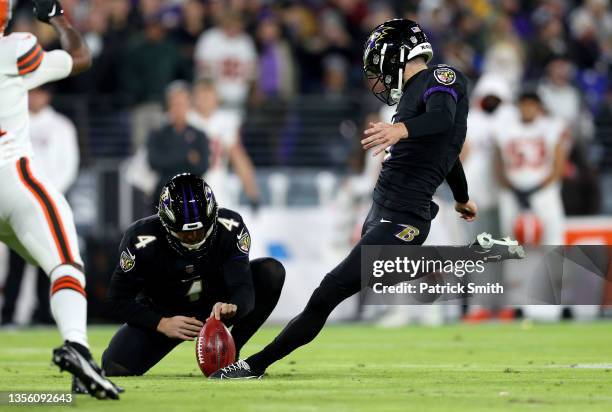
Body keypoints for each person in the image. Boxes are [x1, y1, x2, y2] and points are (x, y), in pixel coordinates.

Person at [210, 19, 524, 380]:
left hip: (405, 218)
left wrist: (401, 129)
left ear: (398, 55)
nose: (376, 71)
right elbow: (447, 154)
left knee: (325, 294)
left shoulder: (442, 77)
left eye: (380, 60)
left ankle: (253, 365)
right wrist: (462, 198)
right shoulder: (410, 95)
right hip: (385, 210)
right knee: (359, 283)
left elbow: (441, 118)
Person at [0, 0, 119, 399]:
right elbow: (80, 57)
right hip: (11, 178)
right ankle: (77, 346)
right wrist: (56, 16)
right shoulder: (14, 48)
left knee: (47, 261)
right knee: (65, 262)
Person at [101, 173, 285, 376]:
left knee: (271, 272)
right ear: (165, 223)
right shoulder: (141, 240)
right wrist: (161, 323)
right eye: (185, 233)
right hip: (165, 310)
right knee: (115, 366)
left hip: (214, 308)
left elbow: (243, 287)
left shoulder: (230, 227)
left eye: (200, 230)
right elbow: (117, 299)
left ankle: (231, 355)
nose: (193, 238)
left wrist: (233, 305)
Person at [1, 85, 79, 326]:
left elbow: (69, 165)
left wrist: (46, 194)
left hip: (49, 203)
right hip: (19, 202)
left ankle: (45, 315)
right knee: (16, 263)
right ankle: (9, 313)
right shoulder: (12, 120)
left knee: (49, 261)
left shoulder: (61, 126)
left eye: (39, 92)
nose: (35, 97)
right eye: (31, 92)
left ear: (48, 95)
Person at [188, 79, 260, 209]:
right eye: (201, 96)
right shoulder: (186, 119)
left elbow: (238, 157)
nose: (205, 101)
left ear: (216, 98)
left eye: (208, 96)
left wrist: (252, 191)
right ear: (194, 98)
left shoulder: (225, 121)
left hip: (217, 187)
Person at [147, 81, 209, 204]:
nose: (178, 108)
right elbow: (153, 162)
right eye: (175, 104)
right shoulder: (158, 134)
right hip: (163, 196)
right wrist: (187, 157)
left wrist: (169, 157)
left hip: (192, 197)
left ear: (188, 105)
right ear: (169, 106)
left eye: (181, 104)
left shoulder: (199, 135)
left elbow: (203, 166)